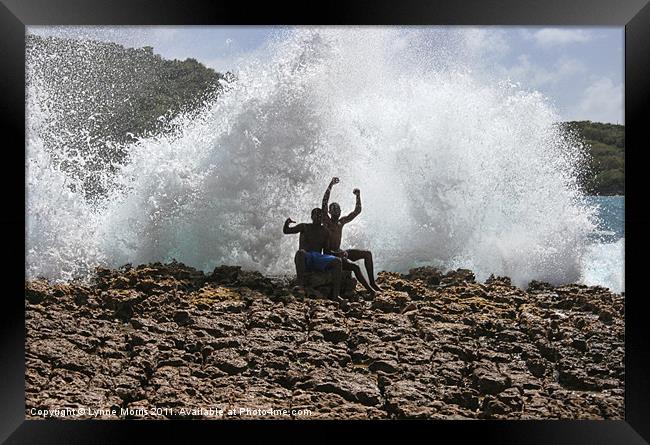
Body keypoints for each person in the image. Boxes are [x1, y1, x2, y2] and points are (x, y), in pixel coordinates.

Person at [321, 177, 382, 293]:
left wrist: (358, 195)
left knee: (367, 254)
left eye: (337, 211)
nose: (336, 213)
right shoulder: (327, 222)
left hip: (340, 252)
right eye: (333, 211)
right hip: (331, 256)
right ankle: (371, 291)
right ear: (329, 212)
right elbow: (324, 202)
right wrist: (330, 185)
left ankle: (373, 283)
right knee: (355, 267)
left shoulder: (341, 222)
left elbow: (357, 211)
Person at [283, 207, 343, 299]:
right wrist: (287, 223)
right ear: (312, 217)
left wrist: (338, 254)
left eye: (320, 215)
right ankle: (300, 286)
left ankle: (336, 295)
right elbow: (286, 231)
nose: (318, 217)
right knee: (300, 252)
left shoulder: (325, 231)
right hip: (306, 256)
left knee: (338, 261)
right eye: (316, 215)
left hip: (318, 258)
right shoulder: (304, 226)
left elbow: (326, 251)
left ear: (323, 218)